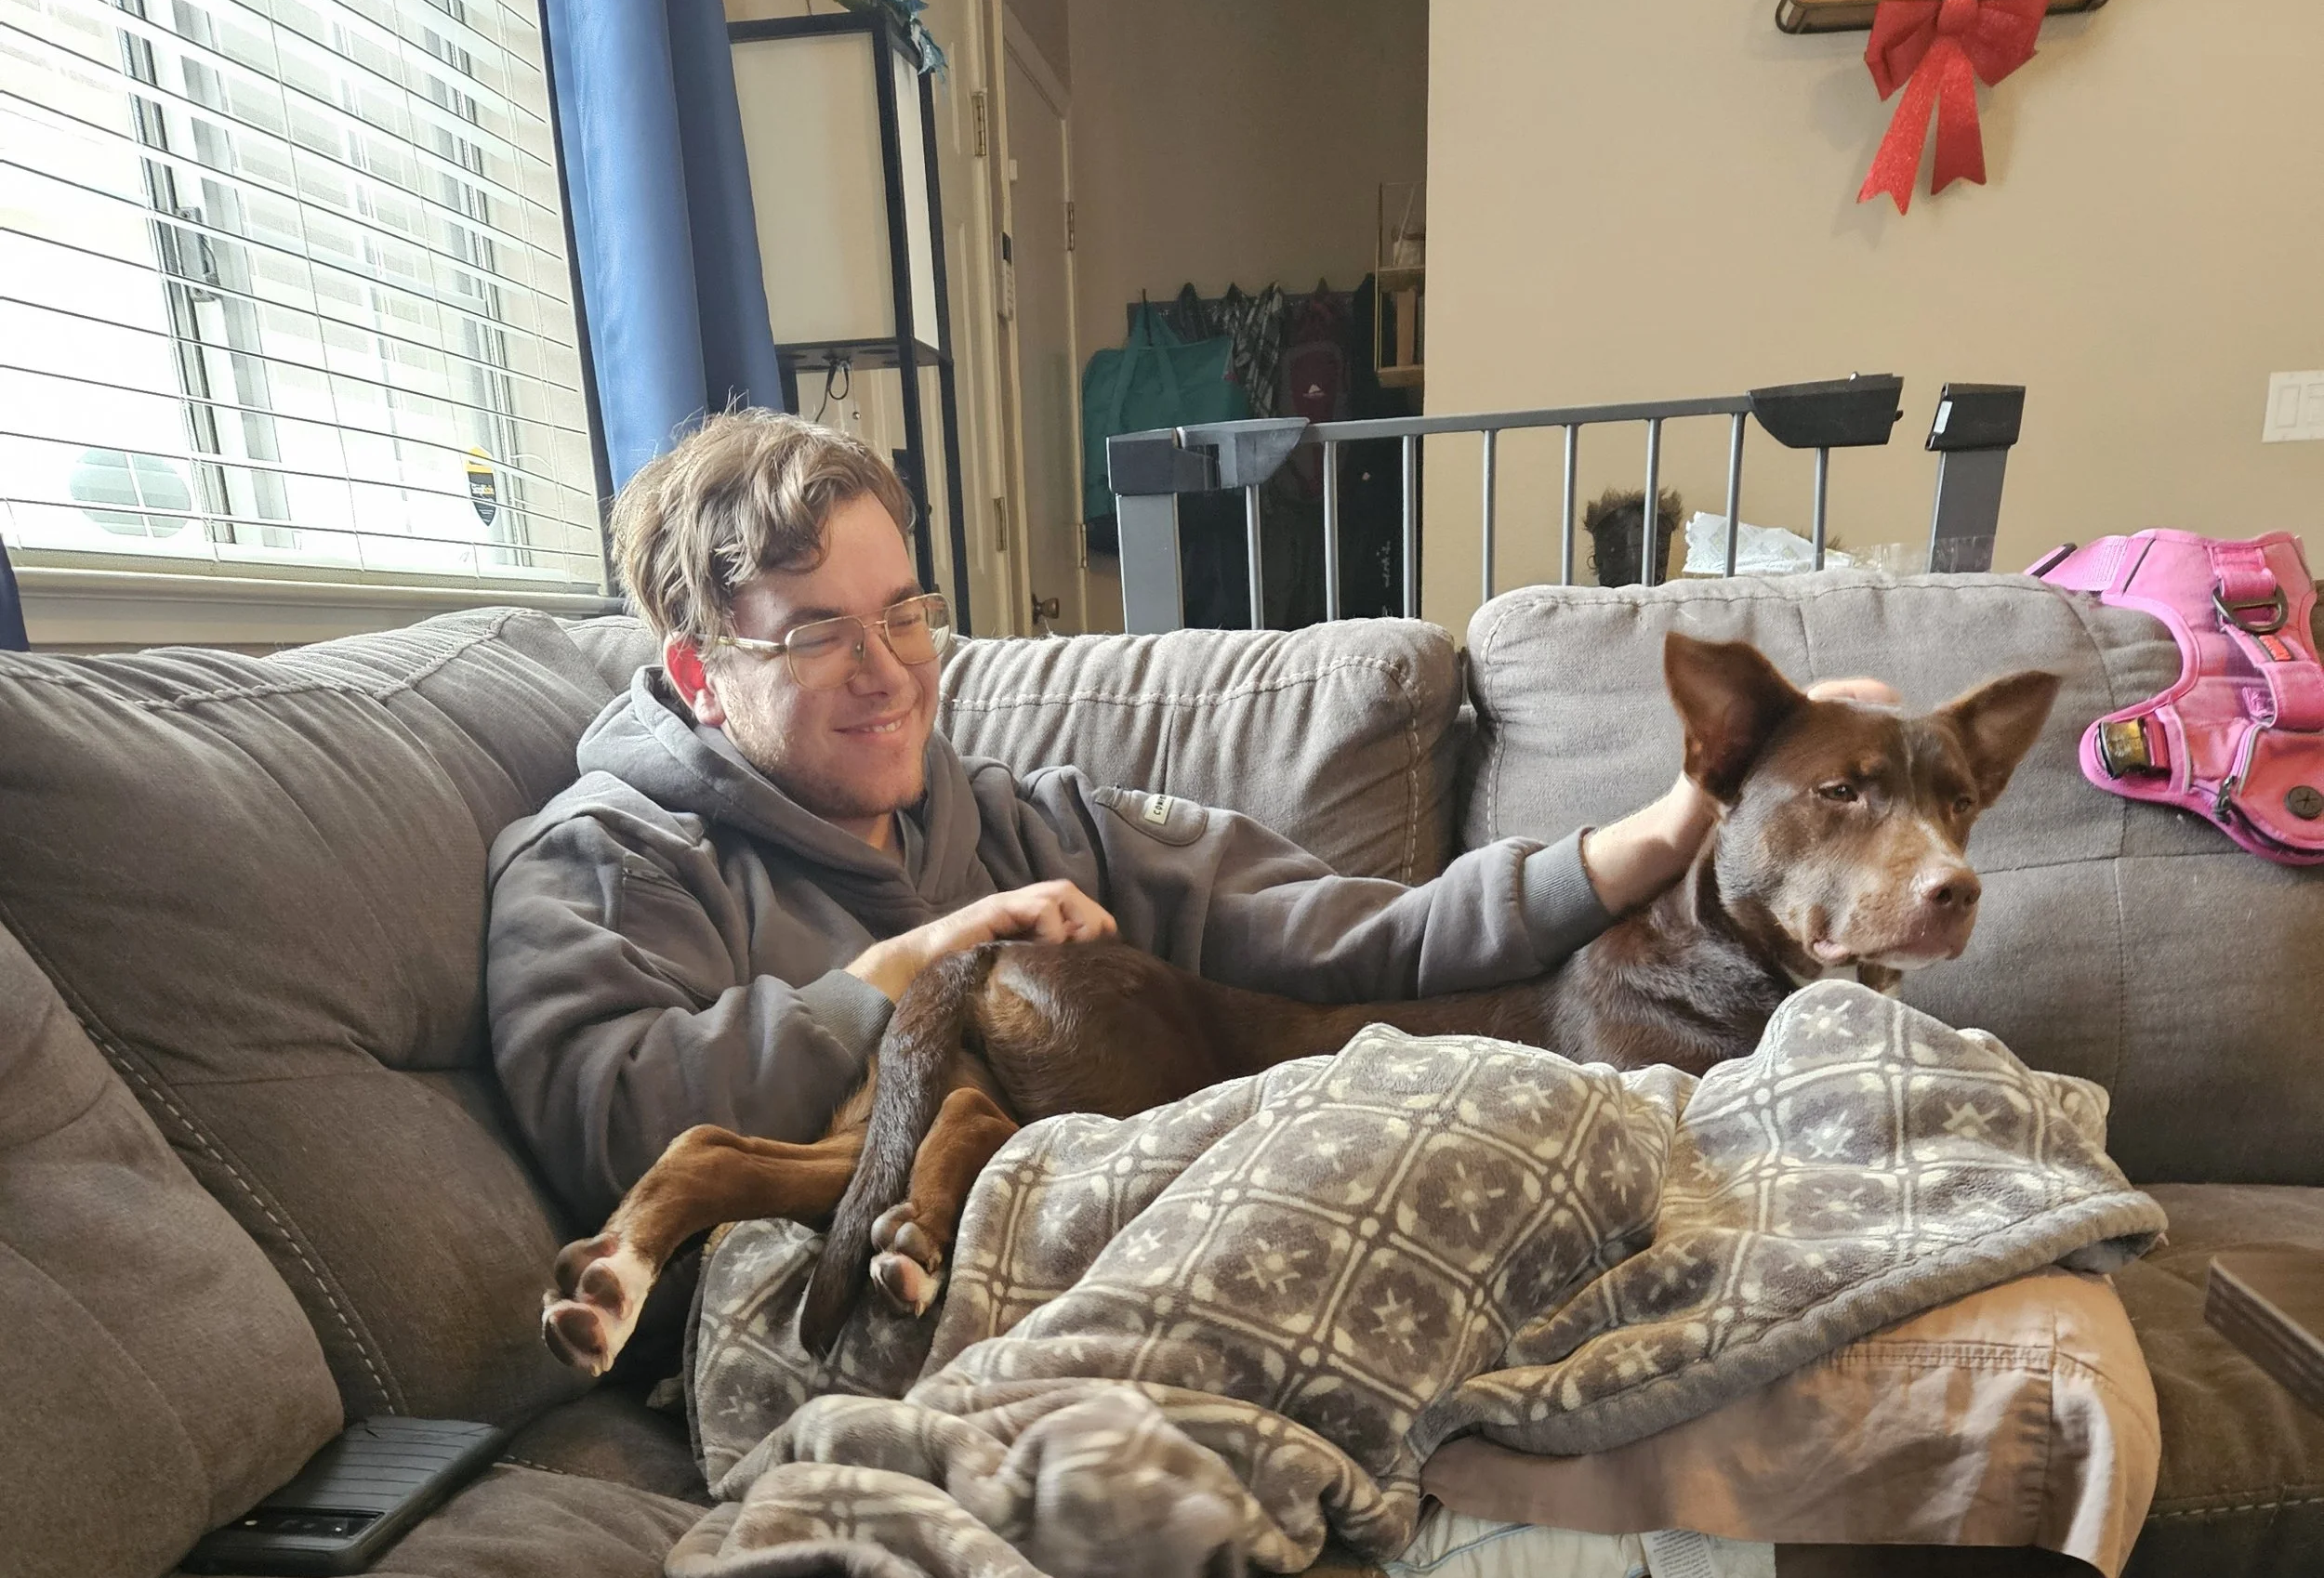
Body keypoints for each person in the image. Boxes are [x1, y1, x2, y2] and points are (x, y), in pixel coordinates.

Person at [487, 413, 1793, 1217]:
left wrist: (1663, 832)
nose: (888, 669)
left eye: (904, 613)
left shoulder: (1028, 825)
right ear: (698, 672)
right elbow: (607, 1118)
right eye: (820, 631)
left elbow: (1357, 937)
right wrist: (903, 973)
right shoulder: (610, 854)